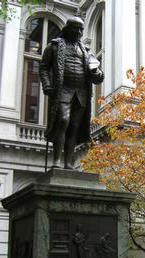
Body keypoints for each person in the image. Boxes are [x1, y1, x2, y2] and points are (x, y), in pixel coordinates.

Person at [39, 16, 104, 169]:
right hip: (63, 90)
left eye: (81, 29)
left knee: (74, 126)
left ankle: (68, 163)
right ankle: (56, 161)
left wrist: (97, 74)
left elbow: (97, 74)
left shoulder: (86, 51)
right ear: (67, 29)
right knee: (63, 121)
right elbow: (43, 68)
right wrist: (47, 85)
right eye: (76, 28)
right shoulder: (54, 47)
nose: (79, 31)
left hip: (80, 93)